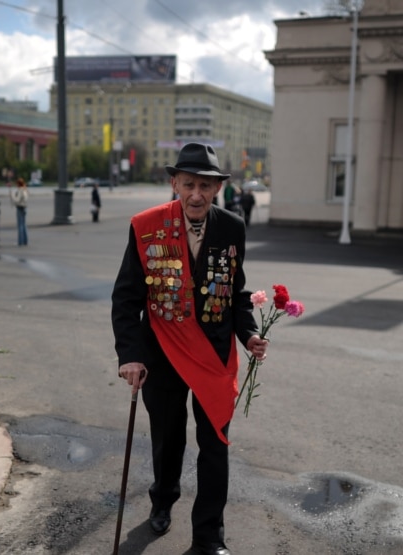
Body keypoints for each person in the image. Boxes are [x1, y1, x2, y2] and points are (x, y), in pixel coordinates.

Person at [112, 143, 269, 555]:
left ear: (217, 188)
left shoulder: (232, 227)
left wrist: (248, 333)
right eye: (188, 184)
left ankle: (209, 535)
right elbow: (126, 297)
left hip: (213, 355)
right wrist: (131, 354)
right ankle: (162, 501)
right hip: (161, 353)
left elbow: (235, 292)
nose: (196, 194)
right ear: (174, 184)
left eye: (205, 185)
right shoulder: (147, 226)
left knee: (215, 443)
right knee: (168, 438)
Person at [9, 177, 29, 245]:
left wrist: (12, 195)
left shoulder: (20, 190)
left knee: (20, 225)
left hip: (20, 207)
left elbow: (17, 200)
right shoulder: (25, 189)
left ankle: (20, 241)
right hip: (24, 207)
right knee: (24, 225)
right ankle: (25, 240)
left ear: (18, 184)